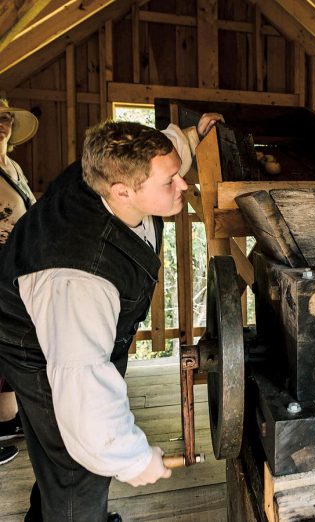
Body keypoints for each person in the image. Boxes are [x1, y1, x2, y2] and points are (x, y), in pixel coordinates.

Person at [0, 112, 222, 521]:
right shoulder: (79, 278)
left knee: (56, 450)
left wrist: (193, 135)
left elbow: (166, 149)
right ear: (122, 191)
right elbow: (84, 389)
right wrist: (133, 459)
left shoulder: (107, 166)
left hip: (55, 324)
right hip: (35, 348)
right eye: (169, 182)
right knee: (75, 468)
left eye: (177, 174)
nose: (183, 184)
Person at [0, 99, 39, 466]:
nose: (2, 124)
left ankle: (6, 421)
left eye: (6, 117)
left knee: (12, 344)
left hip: (15, 266)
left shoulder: (12, 166)